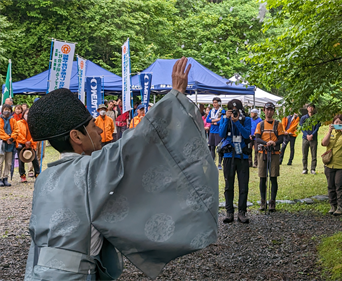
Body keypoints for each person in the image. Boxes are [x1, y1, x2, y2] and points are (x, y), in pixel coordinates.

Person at [24, 57, 218, 280]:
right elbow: (136, 143)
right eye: (92, 126)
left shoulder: (44, 177)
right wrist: (175, 96)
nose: (98, 130)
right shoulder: (90, 170)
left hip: (37, 273)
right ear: (76, 136)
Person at [219, 99, 252, 223]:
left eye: (236, 110)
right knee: (229, 185)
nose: (234, 112)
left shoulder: (246, 120)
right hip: (228, 156)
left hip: (242, 156)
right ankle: (229, 212)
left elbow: (246, 134)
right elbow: (221, 134)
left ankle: (242, 212)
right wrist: (226, 119)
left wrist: (237, 122)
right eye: (232, 110)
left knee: (243, 186)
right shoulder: (225, 119)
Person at [254, 102, 285, 211]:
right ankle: (263, 201)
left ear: (273, 111)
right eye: (267, 109)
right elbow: (257, 138)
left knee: (273, 177)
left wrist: (274, 143)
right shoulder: (260, 125)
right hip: (263, 153)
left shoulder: (278, 124)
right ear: (264, 110)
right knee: (262, 178)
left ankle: (272, 202)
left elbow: (282, 139)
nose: (269, 111)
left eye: (271, 110)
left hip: (274, 153)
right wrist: (266, 142)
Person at [321, 114, 342, 216]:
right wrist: (329, 131)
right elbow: (324, 143)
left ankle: (340, 207)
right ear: (333, 123)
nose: (338, 124)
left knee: (340, 186)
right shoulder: (330, 133)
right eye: (336, 122)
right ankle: (333, 206)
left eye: (340, 122)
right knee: (330, 186)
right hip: (329, 164)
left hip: (341, 165)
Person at [16, 108, 40, 182]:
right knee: (21, 161)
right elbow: (17, 133)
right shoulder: (18, 123)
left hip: (31, 144)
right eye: (26, 113)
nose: (27, 115)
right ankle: (22, 176)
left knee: (34, 159)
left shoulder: (34, 124)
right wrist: (25, 141)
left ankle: (37, 174)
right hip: (21, 143)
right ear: (23, 114)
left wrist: (30, 142)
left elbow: (35, 134)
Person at [0, 104, 18, 186]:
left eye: (8, 109)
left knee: (9, 162)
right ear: (2, 110)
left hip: (11, 144)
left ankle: (5, 178)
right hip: (1, 144)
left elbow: (16, 130)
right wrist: (7, 138)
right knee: (0, 162)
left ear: (11, 111)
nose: (6, 111)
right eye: (5, 109)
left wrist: (12, 138)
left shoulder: (13, 120)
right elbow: (0, 131)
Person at [300, 104, 320, 175]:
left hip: (313, 138)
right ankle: (305, 168)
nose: (310, 108)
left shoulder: (316, 118)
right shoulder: (303, 118)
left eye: (311, 107)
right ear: (307, 108)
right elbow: (302, 127)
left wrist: (312, 135)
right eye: (309, 107)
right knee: (304, 154)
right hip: (305, 138)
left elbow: (317, 128)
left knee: (314, 154)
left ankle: (313, 169)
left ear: (314, 108)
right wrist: (307, 135)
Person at [206, 97, 225, 170]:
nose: (214, 104)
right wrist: (216, 120)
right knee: (212, 147)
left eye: (216, 102)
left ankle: (220, 163)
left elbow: (222, 120)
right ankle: (212, 162)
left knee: (219, 148)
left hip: (218, 131)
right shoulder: (211, 111)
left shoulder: (222, 111)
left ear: (219, 103)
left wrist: (214, 121)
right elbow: (208, 120)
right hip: (212, 131)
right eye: (213, 102)